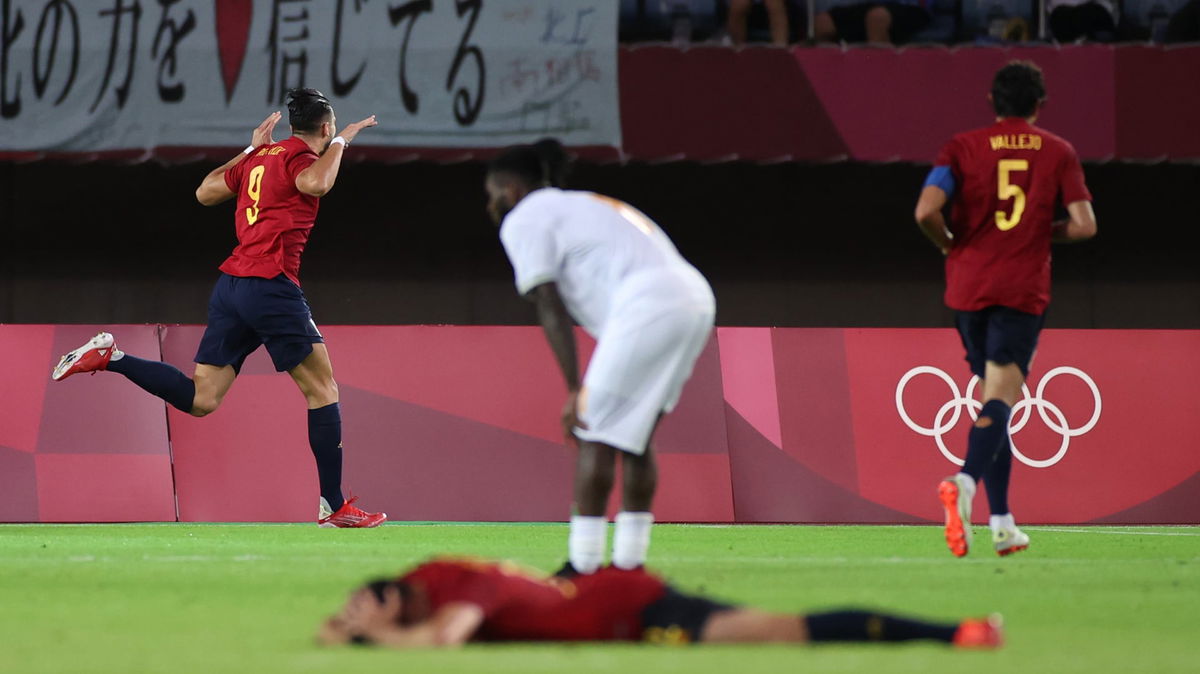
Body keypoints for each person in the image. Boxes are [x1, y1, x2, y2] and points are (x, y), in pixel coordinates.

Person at [49, 89, 387, 529]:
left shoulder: (262, 156)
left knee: (201, 399)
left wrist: (249, 149)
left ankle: (112, 357)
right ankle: (334, 504)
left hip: (232, 287)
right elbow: (317, 183)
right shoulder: (300, 160)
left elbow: (205, 192)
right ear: (324, 127)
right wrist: (344, 140)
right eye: (331, 128)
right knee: (322, 391)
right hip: (271, 286)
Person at [486, 140, 716, 576]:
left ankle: (584, 565)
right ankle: (630, 566)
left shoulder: (525, 217)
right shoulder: (582, 204)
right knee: (636, 436)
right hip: (695, 298)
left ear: (512, 188)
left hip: (650, 304)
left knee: (594, 430)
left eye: (493, 192)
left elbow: (548, 302)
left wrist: (576, 389)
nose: (491, 203)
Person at [913, 62, 1097, 557]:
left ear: (993, 103)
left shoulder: (960, 147)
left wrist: (950, 245)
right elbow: (1084, 225)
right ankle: (965, 482)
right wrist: (1041, 230)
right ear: (1040, 105)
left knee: (993, 402)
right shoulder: (1058, 151)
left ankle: (1001, 522)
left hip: (967, 289)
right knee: (1000, 398)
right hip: (1019, 289)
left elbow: (925, 211)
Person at [317, 557, 1004, 648]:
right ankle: (958, 632)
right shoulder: (426, 583)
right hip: (607, 596)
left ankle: (960, 632)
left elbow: (445, 640)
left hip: (635, 606)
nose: (360, 614)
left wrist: (366, 639)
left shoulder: (454, 589)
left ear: (395, 598)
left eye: (365, 606)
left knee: (783, 632)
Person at [813, 0, 931, 45]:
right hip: (875, 4)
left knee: (877, 18)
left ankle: (880, 84)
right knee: (823, 23)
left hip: (912, 7)